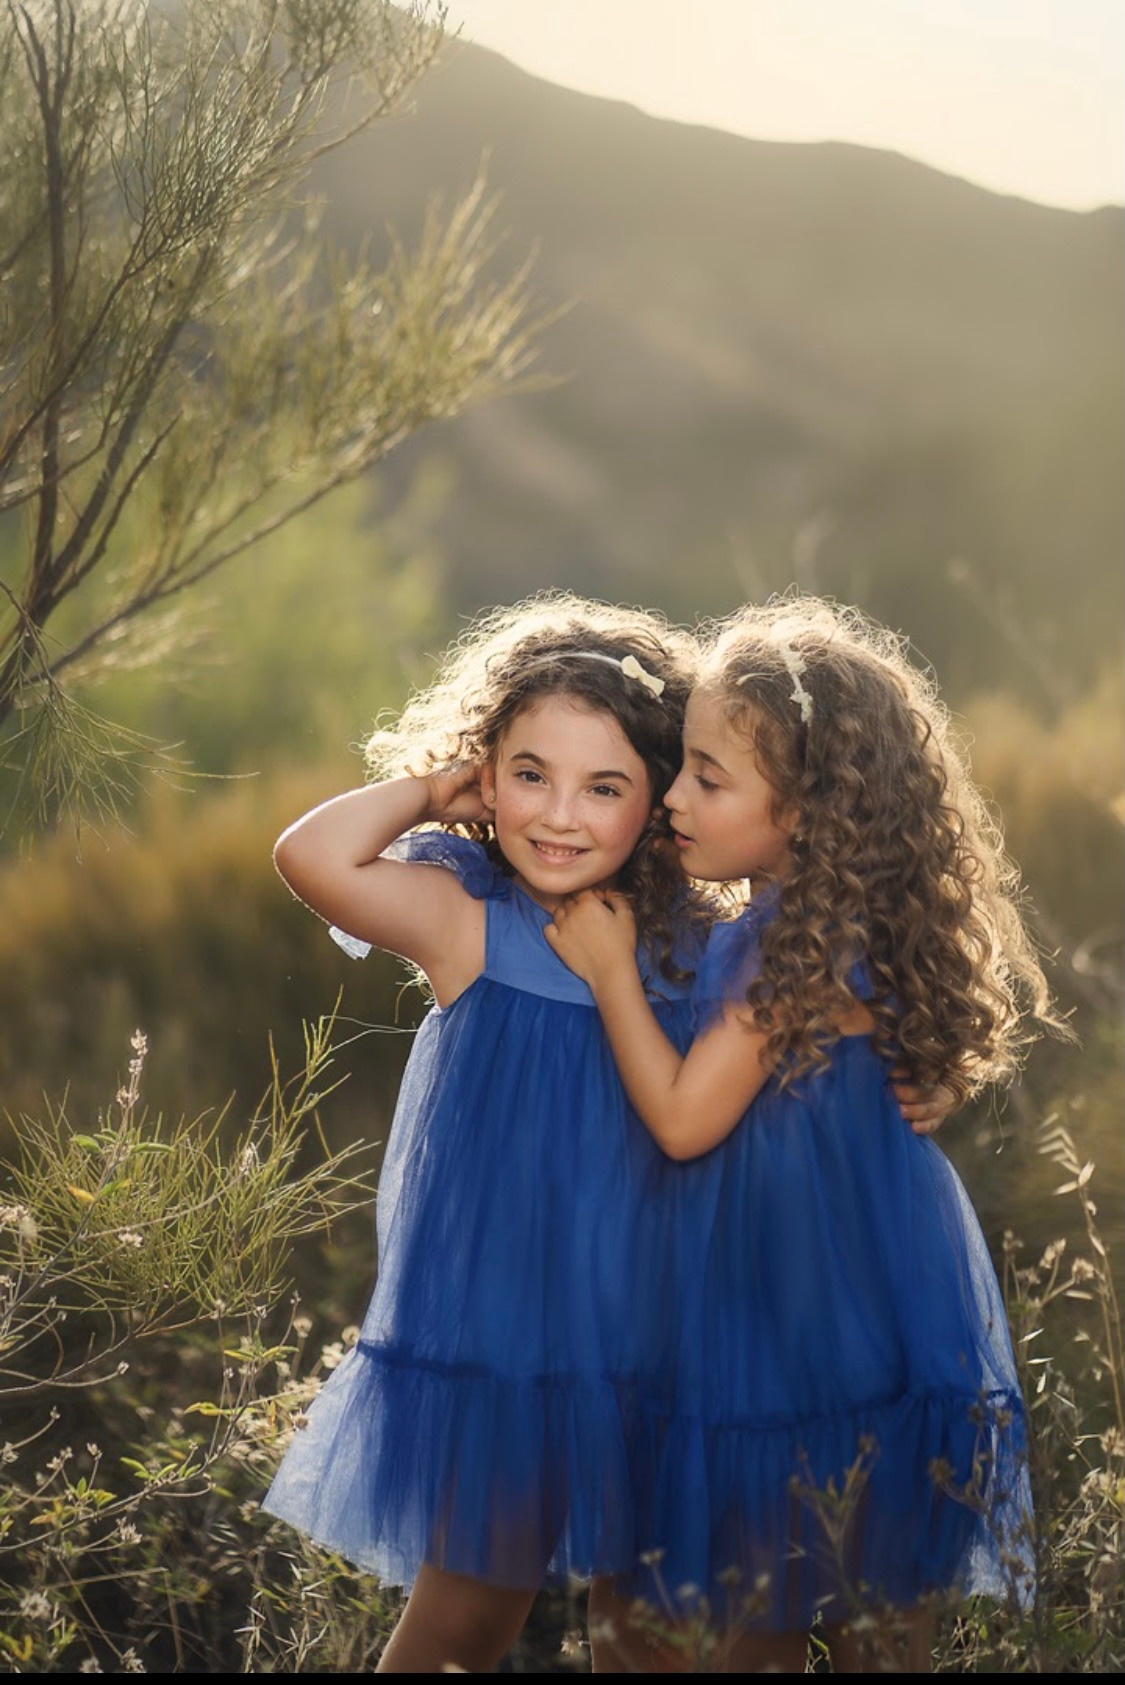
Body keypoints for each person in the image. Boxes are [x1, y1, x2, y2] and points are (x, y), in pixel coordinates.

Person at [547, 595, 1061, 1673]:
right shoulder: (852, 932)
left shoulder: (775, 954)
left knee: (736, 1598)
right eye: (680, 763)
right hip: (881, 1313)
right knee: (875, 1604)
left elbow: (688, 1122)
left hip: (769, 1320)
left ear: (813, 811)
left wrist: (608, 975)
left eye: (708, 777)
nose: (674, 796)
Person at [260, 593, 716, 1672]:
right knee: (464, 1615)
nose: (558, 814)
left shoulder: (700, 954)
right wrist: (433, 787)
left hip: (659, 1331)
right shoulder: (471, 921)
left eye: (604, 786)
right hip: (501, 1342)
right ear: (488, 769)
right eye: (528, 773)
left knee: (644, 1631)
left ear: (660, 799)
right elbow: (313, 856)